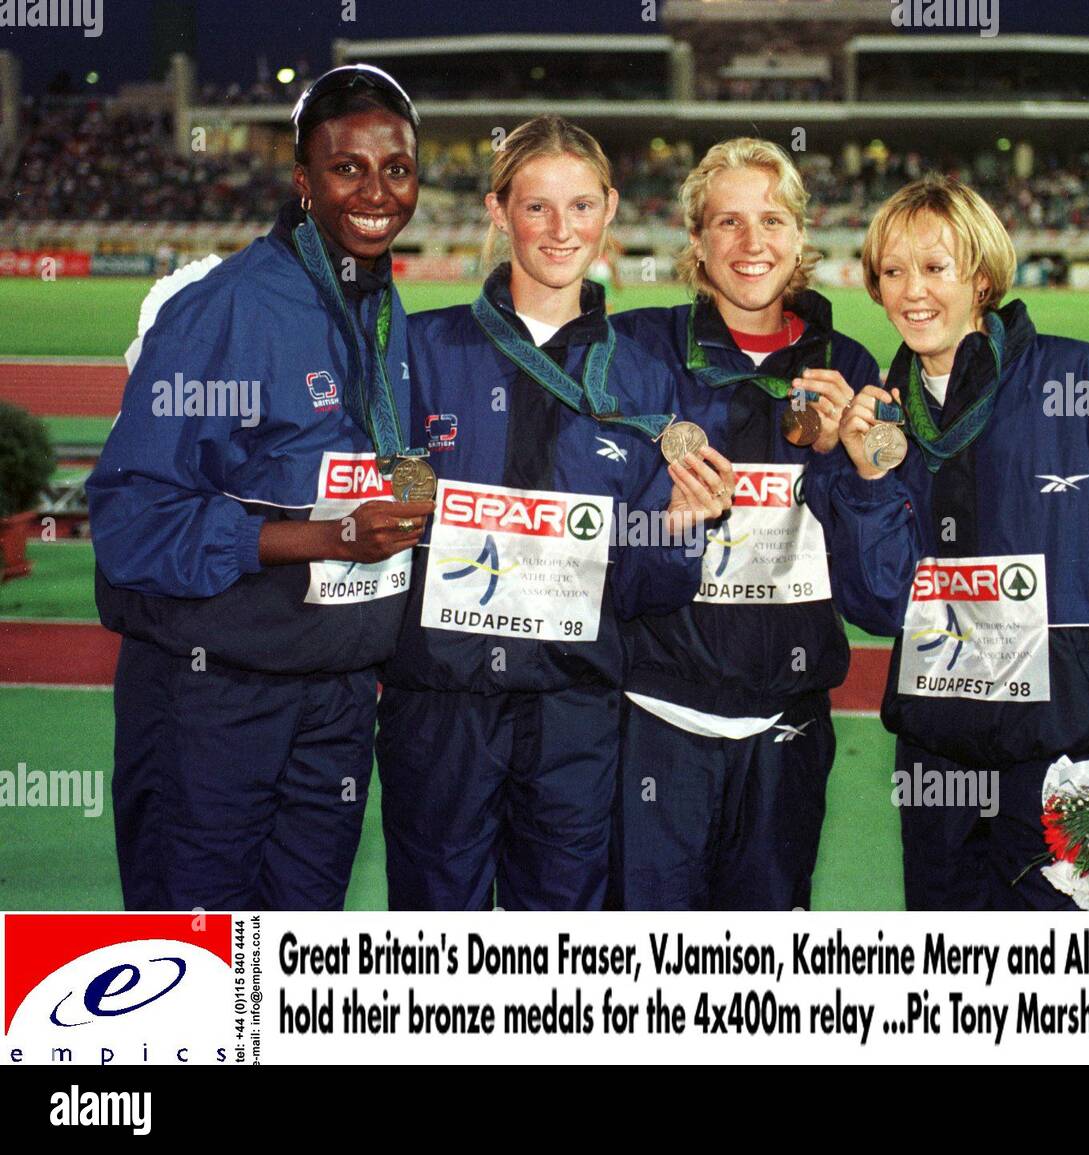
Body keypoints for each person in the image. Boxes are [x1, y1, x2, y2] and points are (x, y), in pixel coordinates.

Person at [805, 174, 1089, 910]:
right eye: (892, 271)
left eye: (935, 267)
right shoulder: (881, 419)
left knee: (1062, 999)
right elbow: (884, 606)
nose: (913, 291)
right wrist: (865, 480)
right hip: (939, 765)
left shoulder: (1080, 381)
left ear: (980, 277)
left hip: (1067, 759)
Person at [88, 65, 432, 910]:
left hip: (339, 700)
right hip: (215, 694)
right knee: (192, 975)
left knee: (291, 970)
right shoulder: (228, 308)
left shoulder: (383, 312)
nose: (376, 191)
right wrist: (326, 539)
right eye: (347, 167)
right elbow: (130, 517)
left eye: (397, 168)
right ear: (303, 181)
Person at [377, 116, 734, 911]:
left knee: (560, 949)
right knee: (431, 946)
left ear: (608, 209)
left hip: (575, 711)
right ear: (499, 213)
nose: (559, 229)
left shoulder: (642, 381)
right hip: (439, 702)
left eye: (579, 206)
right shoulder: (423, 351)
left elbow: (644, 586)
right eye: (536, 207)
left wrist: (679, 523)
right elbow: (377, 516)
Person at [609, 138, 881, 910]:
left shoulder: (850, 366)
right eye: (727, 223)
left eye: (770, 220)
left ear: (800, 236)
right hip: (655, 722)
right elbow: (598, 563)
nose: (751, 243)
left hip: (787, 731)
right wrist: (670, 527)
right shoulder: (638, 354)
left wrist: (845, 467)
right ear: (695, 242)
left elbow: (879, 596)